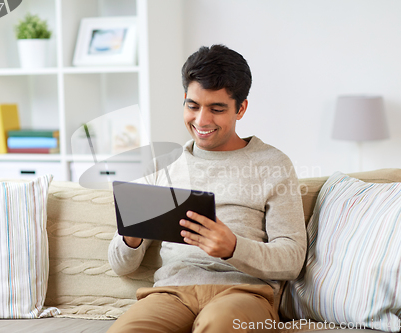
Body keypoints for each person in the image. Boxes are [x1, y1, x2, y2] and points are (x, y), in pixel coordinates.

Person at [107, 44, 306, 333]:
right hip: (170, 293)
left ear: (241, 108)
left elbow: (292, 259)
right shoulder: (163, 167)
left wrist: (234, 248)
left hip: (243, 294)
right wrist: (132, 237)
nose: (201, 120)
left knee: (220, 326)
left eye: (216, 109)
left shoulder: (273, 164)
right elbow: (121, 265)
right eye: (193, 106)